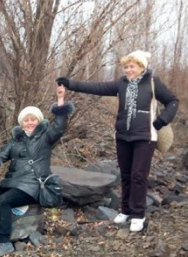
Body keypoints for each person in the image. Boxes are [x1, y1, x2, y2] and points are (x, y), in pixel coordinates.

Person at [56, 50, 178, 232]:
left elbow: (173, 101)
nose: (128, 70)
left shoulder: (152, 82)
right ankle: (126, 210)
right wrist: (70, 84)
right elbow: (97, 88)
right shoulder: (121, 84)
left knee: (138, 175)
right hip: (122, 136)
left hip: (145, 137)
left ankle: (138, 214)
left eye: (132, 66)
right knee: (127, 175)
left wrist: (162, 121)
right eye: (126, 67)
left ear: (141, 67)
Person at [0, 85, 74, 257]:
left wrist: (60, 101)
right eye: (26, 120)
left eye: (33, 119)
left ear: (38, 121)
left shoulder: (46, 137)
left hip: (32, 185)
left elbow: (59, 126)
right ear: (21, 123)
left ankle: (4, 242)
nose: (29, 123)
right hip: (12, 182)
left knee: (3, 201)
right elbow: (1, 156)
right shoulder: (16, 141)